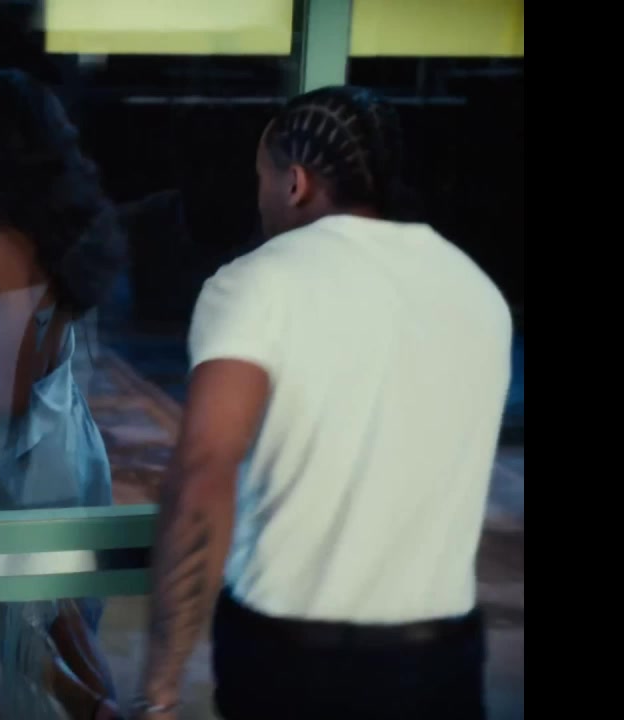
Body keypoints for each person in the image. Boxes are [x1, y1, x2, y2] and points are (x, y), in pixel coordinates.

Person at [129, 86, 511, 720]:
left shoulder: (259, 282)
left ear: (295, 182)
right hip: (442, 661)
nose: (259, 197)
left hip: (297, 664)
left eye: (261, 177)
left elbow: (201, 479)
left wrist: (160, 687)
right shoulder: (475, 290)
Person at [0, 69, 126, 719]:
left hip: (34, 461)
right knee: (54, 617)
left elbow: (10, 396)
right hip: (58, 448)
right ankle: (98, 707)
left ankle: (93, 707)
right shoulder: (36, 236)